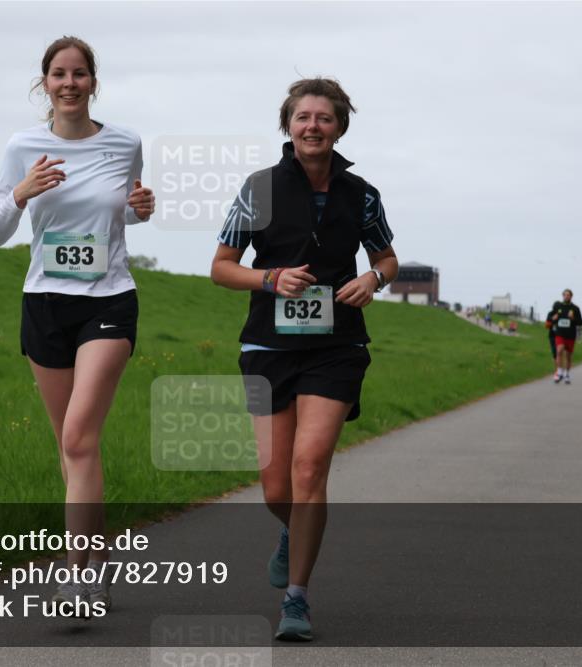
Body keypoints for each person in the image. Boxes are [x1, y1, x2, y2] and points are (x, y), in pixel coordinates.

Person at [211, 78, 398, 641]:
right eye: (302, 117)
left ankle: (296, 598)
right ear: (287, 126)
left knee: (309, 468)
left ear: (339, 126)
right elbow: (221, 266)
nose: (312, 126)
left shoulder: (362, 193)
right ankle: (292, 531)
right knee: (276, 487)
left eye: (324, 117)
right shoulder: (259, 187)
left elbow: (386, 258)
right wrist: (269, 278)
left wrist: (373, 278)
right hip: (268, 345)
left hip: (337, 347)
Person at [0, 36, 154, 615]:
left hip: (108, 299)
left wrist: (140, 207)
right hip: (44, 303)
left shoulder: (125, 142)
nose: (70, 83)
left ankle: (73, 575)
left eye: (80, 74)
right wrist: (20, 192)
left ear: (93, 82)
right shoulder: (22, 146)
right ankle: (99, 559)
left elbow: (121, 211)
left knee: (79, 438)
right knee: (72, 449)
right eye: (59, 74)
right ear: (45, 82)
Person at [549, 289, 582, 384]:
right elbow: (551, 318)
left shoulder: (575, 308)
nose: (566, 296)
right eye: (565, 295)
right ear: (562, 296)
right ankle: (559, 372)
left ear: (571, 296)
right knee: (559, 350)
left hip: (570, 335)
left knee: (568, 356)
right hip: (560, 333)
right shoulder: (558, 306)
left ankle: (567, 374)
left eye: (568, 295)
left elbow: (580, 322)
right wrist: (553, 318)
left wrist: (573, 318)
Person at [544, 308, 558, 372]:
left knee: (559, 351)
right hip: (552, 336)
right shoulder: (550, 314)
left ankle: (560, 368)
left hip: (560, 336)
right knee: (554, 351)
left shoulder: (562, 313)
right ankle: (556, 369)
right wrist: (552, 320)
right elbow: (546, 325)